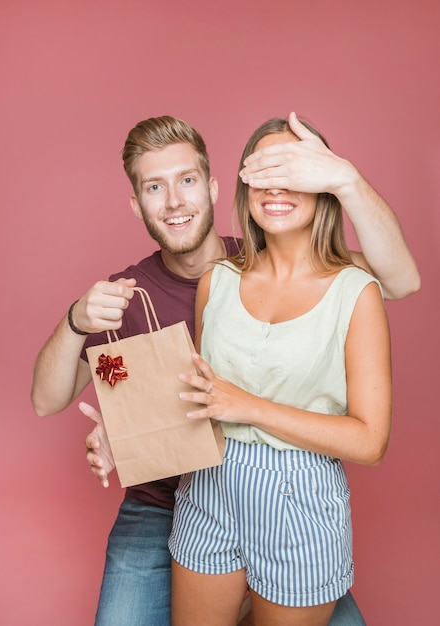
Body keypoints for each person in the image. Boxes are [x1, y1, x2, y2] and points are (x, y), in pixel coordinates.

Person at [31, 114, 419, 626]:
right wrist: (120, 419)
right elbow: (48, 400)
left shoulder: (279, 252)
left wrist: (342, 177)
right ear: (136, 203)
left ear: (214, 188)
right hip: (165, 501)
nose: (174, 202)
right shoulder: (128, 295)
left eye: (187, 181)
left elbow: (399, 279)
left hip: (285, 493)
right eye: (155, 187)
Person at [168, 116, 392, 626]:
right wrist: (127, 436)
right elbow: (198, 399)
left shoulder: (356, 292)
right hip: (208, 485)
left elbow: (371, 441)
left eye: (292, 172)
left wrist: (248, 406)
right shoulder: (216, 281)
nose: (275, 187)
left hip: (302, 499)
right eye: (262, 172)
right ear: (245, 188)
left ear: (322, 189)